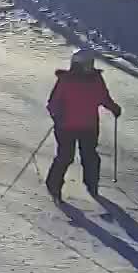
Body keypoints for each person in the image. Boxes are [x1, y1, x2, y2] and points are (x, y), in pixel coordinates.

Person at [46, 49, 122, 200]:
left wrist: (113, 107)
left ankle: (91, 184)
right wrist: (57, 114)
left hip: (88, 126)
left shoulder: (95, 80)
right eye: (88, 64)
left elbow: (103, 97)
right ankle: (54, 185)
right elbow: (53, 102)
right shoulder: (66, 80)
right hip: (67, 126)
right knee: (66, 156)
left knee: (90, 156)